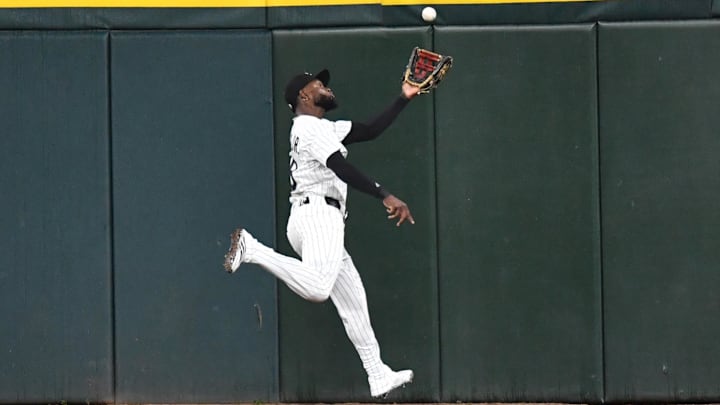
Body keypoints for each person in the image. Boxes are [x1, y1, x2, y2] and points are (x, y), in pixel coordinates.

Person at [224, 68, 420, 398]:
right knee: (317, 288)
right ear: (304, 96)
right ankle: (252, 248)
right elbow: (339, 166)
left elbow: (369, 130)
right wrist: (383, 193)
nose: (325, 87)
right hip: (318, 214)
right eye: (318, 84)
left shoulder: (322, 128)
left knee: (354, 301)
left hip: (313, 216)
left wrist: (403, 98)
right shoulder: (308, 127)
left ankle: (377, 374)